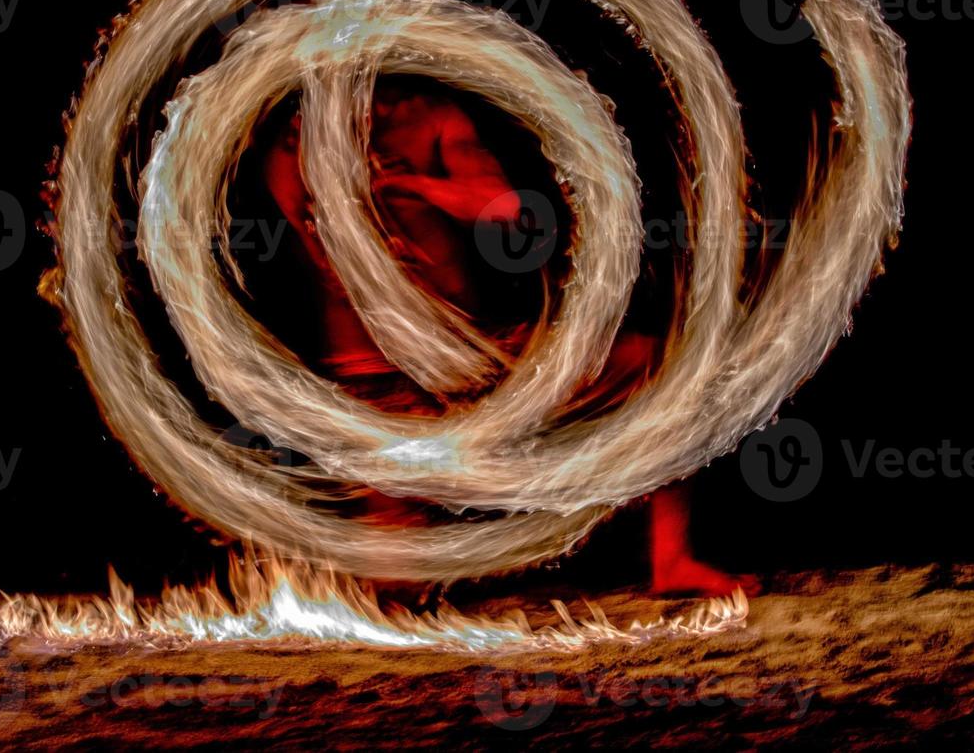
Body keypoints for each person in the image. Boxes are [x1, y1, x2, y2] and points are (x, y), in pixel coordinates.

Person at [261, 83, 760, 597]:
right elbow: (335, 259)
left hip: (480, 355)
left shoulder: (429, 115)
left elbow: (503, 209)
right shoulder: (292, 148)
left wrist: (416, 185)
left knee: (656, 372)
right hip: (383, 386)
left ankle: (671, 562)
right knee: (394, 594)